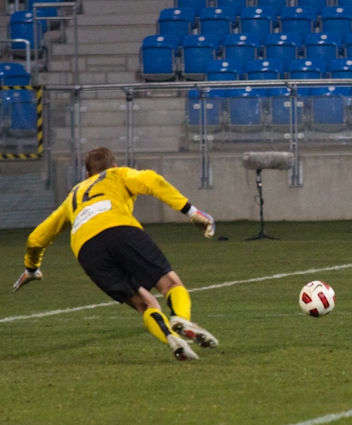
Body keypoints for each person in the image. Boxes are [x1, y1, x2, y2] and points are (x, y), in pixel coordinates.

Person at [12, 147, 220, 361]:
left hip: (87, 251)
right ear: (113, 165)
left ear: (87, 174)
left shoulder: (72, 197)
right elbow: (151, 179)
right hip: (120, 230)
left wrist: (31, 268)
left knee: (144, 304)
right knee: (171, 285)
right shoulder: (117, 174)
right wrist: (191, 212)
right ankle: (180, 319)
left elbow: (36, 238)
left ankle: (172, 339)